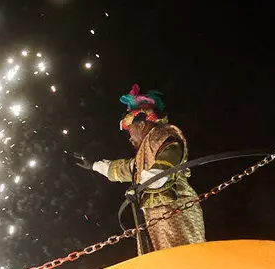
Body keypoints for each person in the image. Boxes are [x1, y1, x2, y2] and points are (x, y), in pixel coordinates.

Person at [80, 84, 205, 253]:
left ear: (140, 126)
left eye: (130, 131)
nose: (130, 138)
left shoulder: (161, 134)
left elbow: (170, 152)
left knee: (183, 259)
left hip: (175, 210)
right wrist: (96, 165)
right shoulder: (144, 155)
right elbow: (127, 169)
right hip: (155, 218)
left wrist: (153, 176)